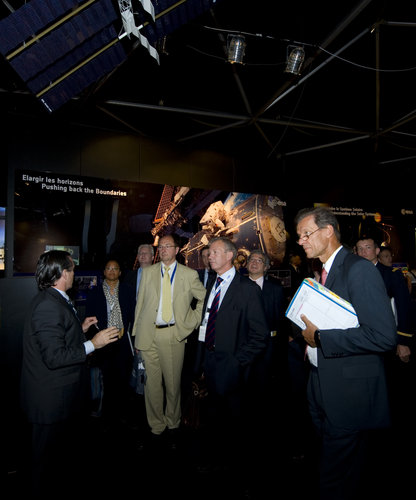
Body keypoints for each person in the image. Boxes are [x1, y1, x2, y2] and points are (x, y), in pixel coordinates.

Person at [295, 207, 396, 500]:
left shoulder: (358, 269)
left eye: (306, 234)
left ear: (328, 232)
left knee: (334, 478)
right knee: (337, 467)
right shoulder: (324, 273)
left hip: (348, 392)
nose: (301, 241)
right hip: (320, 383)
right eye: (300, 236)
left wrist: (321, 338)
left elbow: (383, 336)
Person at [20, 250, 120, 499]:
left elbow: (60, 335)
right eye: (72, 269)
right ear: (63, 273)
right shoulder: (47, 306)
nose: (75, 274)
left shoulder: (56, 299)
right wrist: (92, 344)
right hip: (49, 402)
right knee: (42, 464)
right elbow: (54, 357)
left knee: (54, 461)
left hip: (60, 398)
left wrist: (81, 328)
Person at [195, 237, 269, 486]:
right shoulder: (213, 285)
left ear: (229, 256)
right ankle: (215, 461)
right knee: (214, 418)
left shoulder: (247, 289)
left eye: (214, 252)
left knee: (236, 424)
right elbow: (207, 324)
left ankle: (239, 474)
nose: (209, 256)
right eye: (209, 253)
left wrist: (237, 363)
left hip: (234, 370)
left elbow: (260, 336)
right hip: (211, 364)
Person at [131, 233, 206, 448]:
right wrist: (136, 333)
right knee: (151, 385)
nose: (163, 250)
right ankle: (156, 425)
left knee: (172, 385)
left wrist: (190, 322)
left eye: (167, 246)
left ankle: (173, 423)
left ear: (176, 250)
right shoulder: (148, 272)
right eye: (160, 247)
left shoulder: (189, 275)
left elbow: (204, 298)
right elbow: (140, 304)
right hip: (148, 335)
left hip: (173, 335)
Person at [84, 258, 136, 426]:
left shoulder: (128, 291)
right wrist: (92, 343)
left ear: (120, 272)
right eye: (108, 268)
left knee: (123, 379)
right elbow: (89, 320)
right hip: (103, 342)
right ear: (104, 272)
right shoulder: (94, 292)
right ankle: (106, 416)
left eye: (115, 268)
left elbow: (135, 317)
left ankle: (122, 414)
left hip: (123, 341)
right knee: (105, 380)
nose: (112, 271)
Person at [355, 237, 413, 362]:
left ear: (377, 251)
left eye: (367, 247)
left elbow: (403, 307)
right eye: (360, 249)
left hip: (386, 338)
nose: (363, 252)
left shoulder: (391, 275)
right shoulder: (353, 274)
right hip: (361, 339)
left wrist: (403, 341)